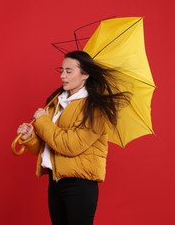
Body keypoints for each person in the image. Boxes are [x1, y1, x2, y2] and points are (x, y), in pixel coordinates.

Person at [17, 51, 131, 225]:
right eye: (61, 70)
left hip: (79, 185)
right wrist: (31, 137)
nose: (63, 75)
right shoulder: (56, 101)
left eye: (69, 71)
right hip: (55, 183)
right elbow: (48, 145)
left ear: (85, 74)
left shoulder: (95, 108)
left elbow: (70, 145)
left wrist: (43, 122)